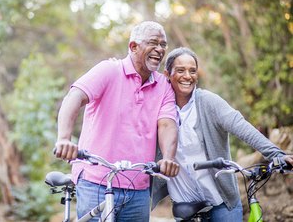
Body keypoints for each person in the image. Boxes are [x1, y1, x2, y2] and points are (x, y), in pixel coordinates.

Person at [54, 21, 180, 221]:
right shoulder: (109, 70)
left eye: (163, 44)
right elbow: (74, 97)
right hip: (96, 182)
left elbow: (167, 124)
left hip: (138, 188)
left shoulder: (163, 85)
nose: (160, 49)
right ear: (133, 47)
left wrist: (168, 158)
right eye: (153, 43)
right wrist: (64, 138)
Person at [152, 47, 293, 221]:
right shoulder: (158, 107)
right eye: (180, 70)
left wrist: (276, 154)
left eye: (192, 71)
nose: (187, 76)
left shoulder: (208, 102)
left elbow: (241, 126)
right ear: (167, 74)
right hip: (184, 204)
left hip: (221, 202)